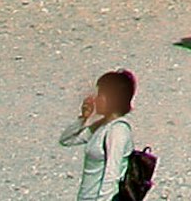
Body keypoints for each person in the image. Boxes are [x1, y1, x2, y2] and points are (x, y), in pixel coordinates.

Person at [58, 70, 136, 201]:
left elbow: (112, 173)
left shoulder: (117, 130)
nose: (95, 99)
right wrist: (83, 119)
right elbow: (66, 140)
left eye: (100, 95)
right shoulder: (101, 126)